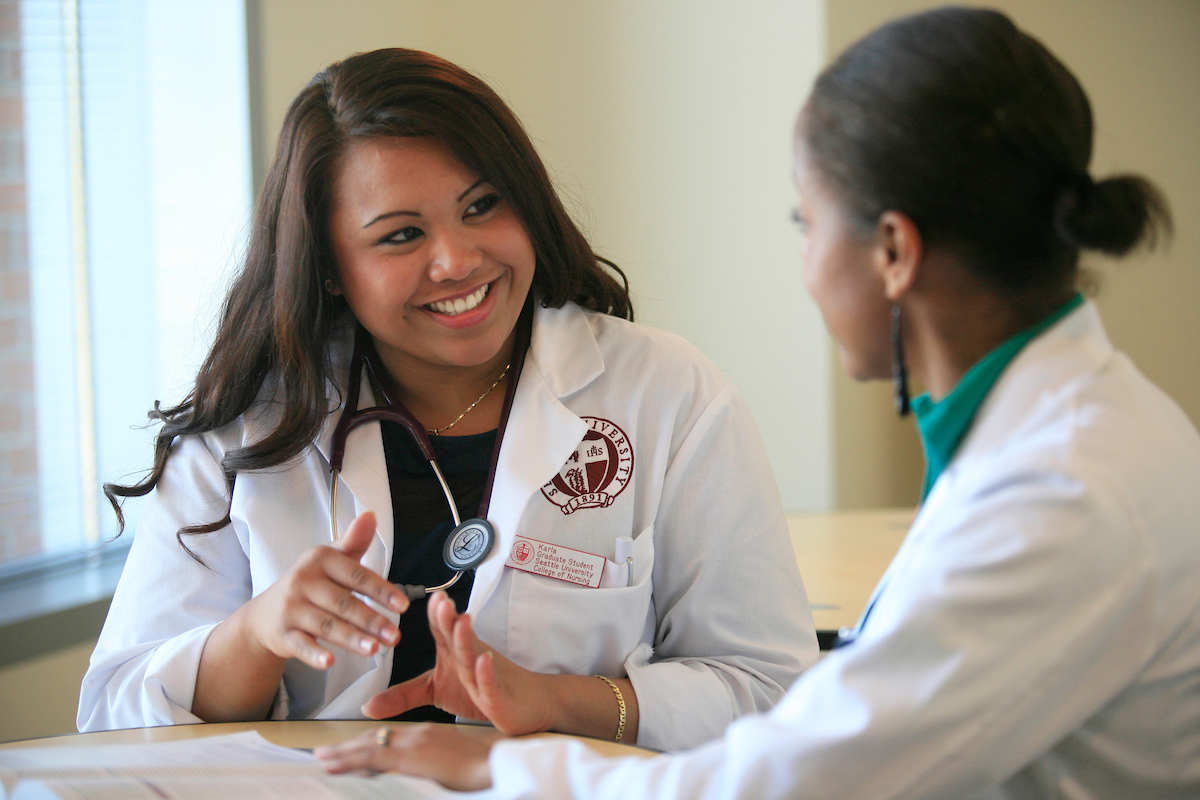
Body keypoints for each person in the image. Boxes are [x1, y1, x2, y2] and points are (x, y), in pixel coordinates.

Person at [315, 8, 1200, 797]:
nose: (807, 264)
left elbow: (797, 783)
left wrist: (509, 765)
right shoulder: (1059, 432)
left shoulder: (1063, 494)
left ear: (892, 251)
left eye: (806, 224)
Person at [76, 48, 818, 751]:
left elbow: (770, 687)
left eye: (482, 206)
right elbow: (112, 717)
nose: (458, 261)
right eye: (401, 235)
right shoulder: (248, 426)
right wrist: (257, 635)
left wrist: (556, 702)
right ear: (330, 268)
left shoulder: (666, 395)